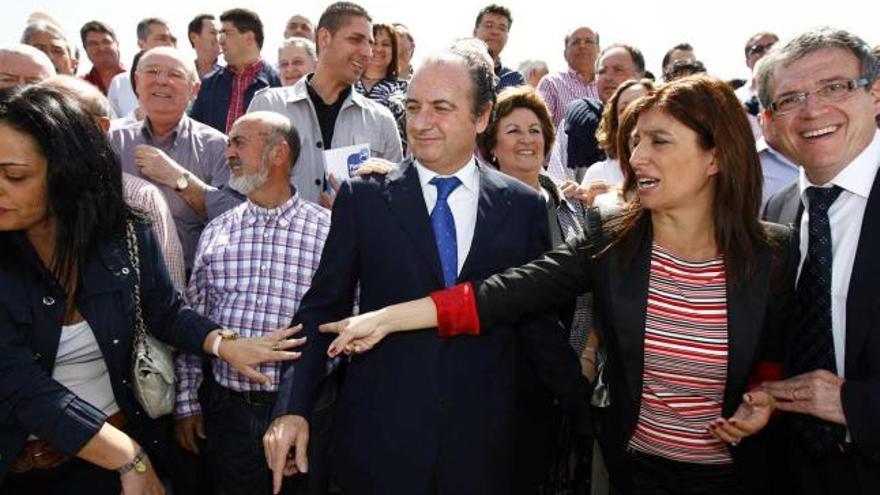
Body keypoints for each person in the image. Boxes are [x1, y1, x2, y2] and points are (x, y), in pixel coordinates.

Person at [319, 75, 799, 495]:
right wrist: (386, 318)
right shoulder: (612, 237)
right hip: (634, 469)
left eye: (659, 141)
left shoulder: (773, 254)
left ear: (714, 157)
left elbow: (775, 356)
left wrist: (765, 397)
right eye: (633, 141)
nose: (636, 156)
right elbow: (502, 294)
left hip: (739, 475)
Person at [263, 47, 588, 495]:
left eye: (441, 107)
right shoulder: (366, 199)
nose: (420, 122)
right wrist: (292, 407)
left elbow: (537, 324)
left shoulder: (523, 206)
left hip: (485, 451)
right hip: (380, 446)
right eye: (413, 107)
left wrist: (591, 416)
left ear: (481, 116)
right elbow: (322, 307)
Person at [0, 85, 304, 494]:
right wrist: (127, 456)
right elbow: (19, 384)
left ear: (66, 171)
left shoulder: (126, 233)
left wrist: (223, 344)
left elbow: (164, 310)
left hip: (111, 465)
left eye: (15, 175)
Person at [175, 112, 331, 495]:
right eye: (229, 142)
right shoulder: (218, 230)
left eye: (239, 142)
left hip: (304, 413)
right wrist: (187, 403)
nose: (228, 152)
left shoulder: (328, 232)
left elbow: (347, 322)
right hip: (227, 414)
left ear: (278, 153)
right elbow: (194, 319)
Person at [758, 27, 880, 494]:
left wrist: (855, 404)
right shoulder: (778, 211)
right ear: (770, 120)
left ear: (873, 94)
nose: (812, 110)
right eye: (790, 99)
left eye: (834, 87)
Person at [478, 85, 592, 493]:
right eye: (512, 131)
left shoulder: (575, 207)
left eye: (535, 130)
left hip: (574, 371)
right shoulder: (478, 210)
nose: (526, 140)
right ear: (491, 145)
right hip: (504, 378)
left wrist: (587, 355)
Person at [247, 1, 402, 207]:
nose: (367, 52)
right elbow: (244, 183)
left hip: (355, 239)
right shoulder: (268, 106)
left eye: (370, 43)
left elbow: (395, 200)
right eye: (356, 40)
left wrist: (357, 210)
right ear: (324, 38)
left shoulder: (382, 120)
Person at [110, 47, 239, 273]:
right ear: (137, 83)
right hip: (127, 281)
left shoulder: (218, 146)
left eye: (175, 74)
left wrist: (179, 179)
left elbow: (235, 217)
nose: (161, 81)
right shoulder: (112, 142)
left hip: (197, 282)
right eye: (152, 72)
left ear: (195, 90)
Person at [547, 44, 646, 182]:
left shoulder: (660, 124)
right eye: (602, 71)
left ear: (640, 76)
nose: (608, 77)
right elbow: (558, 183)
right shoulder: (575, 122)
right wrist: (582, 198)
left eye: (618, 70)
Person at [191, 8, 282, 134]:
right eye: (219, 34)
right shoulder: (208, 84)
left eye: (227, 33)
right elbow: (194, 133)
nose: (220, 40)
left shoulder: (277, 85)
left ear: (249, 38)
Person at [577, 79, 654, 207]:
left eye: (641, 105)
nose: (632, 113)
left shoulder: (668, 166)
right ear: (615, 121)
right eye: (624, 109)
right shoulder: (598, 173)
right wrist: (591, 206)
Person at [107, 18, 175, 119]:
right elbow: (112, 127)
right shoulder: (119, 84)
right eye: (162, 38)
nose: (170, 44)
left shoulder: (186, 80)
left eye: (173, 40)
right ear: (141, 44)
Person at [355, 23, 408, 153]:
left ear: (394, 51)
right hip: (346, 165)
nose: (378, 49)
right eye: (373, 42)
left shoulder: (406, 90)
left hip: (391, 164)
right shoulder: (345, 84)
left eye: (386, 44)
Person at [537, 26, 600, 127]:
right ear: (565, 53)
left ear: (598, 50)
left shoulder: (606, 85)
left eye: (588, 41)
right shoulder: (551, 84)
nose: (582, 46)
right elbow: (540, 127)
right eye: (576, 42)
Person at [472, 4, 525, 91]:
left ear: (507, 37)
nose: (495, 32)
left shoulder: (515, 81)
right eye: (488, 25)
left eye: (502, 28)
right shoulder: (456, 71)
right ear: (475, 32)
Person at [79, 21, 125, 95]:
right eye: (93, 44)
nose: (101, 48)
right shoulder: (79, 86)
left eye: (106, 42)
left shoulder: (139, 79)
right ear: (85, 49)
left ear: (117, 45)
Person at [187, 14, 221, 79]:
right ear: (194, 37)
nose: (219, 38)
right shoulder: (183, 74)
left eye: (220, 33)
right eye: (213, 32)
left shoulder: (229, 77)